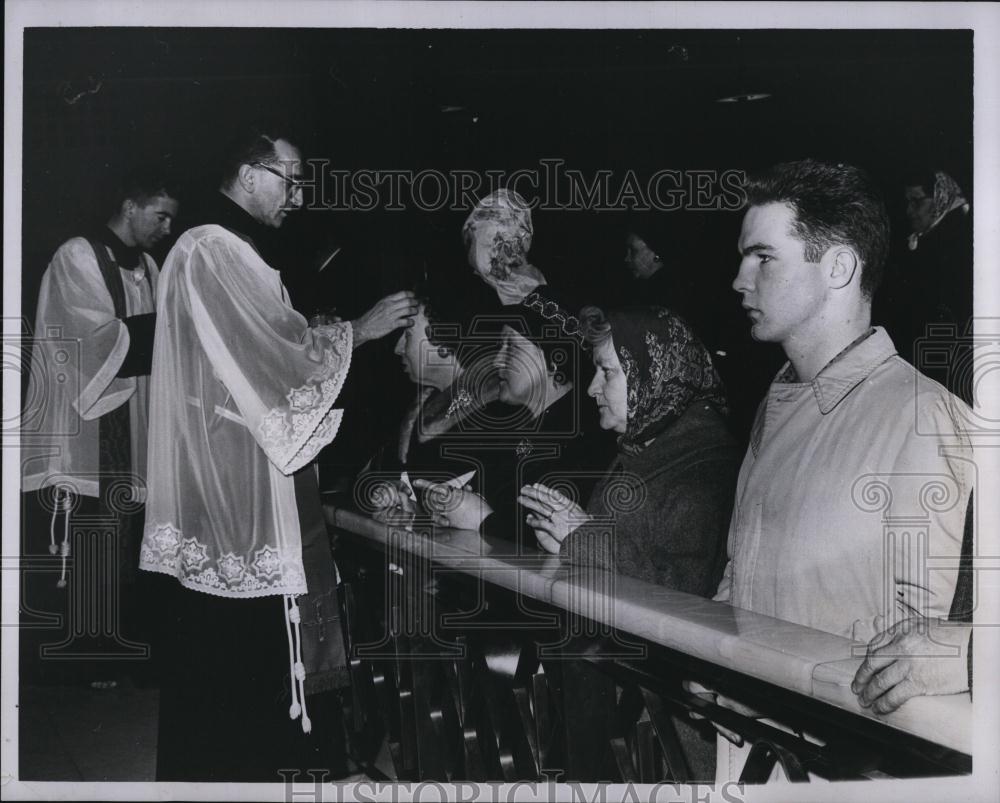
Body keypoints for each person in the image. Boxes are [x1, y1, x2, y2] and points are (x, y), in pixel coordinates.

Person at [139, 123, 418, 781]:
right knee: (237, 648)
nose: (298, 196)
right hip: (234, 486)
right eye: (291, 180)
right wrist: (362, 329)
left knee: (253, 647)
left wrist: (331, 335)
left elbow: (280, 343)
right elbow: (277, 355)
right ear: (249, 172)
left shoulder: (240, 251)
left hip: (247, 469)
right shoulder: (210, 247)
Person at [708, 159, 972, 781]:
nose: (739, 280)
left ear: (840, 268)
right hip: (755, 753)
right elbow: (738, 576)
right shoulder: (773, 409)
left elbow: (927, 650)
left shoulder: (923, 416)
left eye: (763, 257)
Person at [21, 164, 179, 686]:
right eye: (160, 216)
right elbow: (90, 341)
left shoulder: (153, 268)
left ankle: (133, 647)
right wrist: (183, 327)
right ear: (130, 206)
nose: (167, 229)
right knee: (98, 538)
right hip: (91, 422)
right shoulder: (77, 256)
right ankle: (91, 658)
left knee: (137, 537)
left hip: (139, 421)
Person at [518, 306, 738, 596]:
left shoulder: (705, 467)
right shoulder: (639, 447)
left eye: (606, 372)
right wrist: (565, 544)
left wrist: (582, 538)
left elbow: (682, 594)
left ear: (651, 375)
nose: (592, 388)